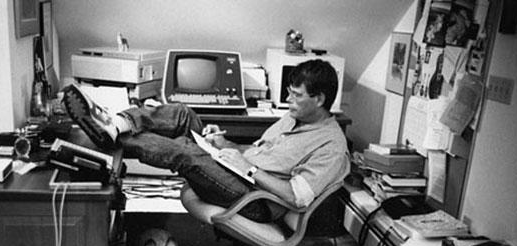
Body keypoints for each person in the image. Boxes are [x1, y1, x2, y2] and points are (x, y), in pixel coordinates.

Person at [63, 59, 350, 223]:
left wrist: (249, 169)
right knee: (183, 114)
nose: (288, 100)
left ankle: (110, 136)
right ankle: (116, 124)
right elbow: (259, 152)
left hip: (256, 200)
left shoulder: (331, 146)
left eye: (296, 95)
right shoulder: (294, 117)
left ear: (319, 99)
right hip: (239, 173)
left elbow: (296, 196)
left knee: (186, 151)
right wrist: (226, 145)